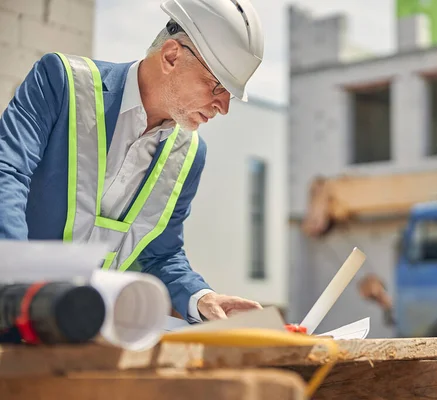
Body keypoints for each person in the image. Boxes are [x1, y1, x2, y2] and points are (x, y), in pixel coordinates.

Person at [0, 0, 265, 322]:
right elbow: (7, 172)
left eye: (231, 95)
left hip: (88, 326)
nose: (223, 107)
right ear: (171, 56)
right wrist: (15, 278)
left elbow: (160, 255)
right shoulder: (61, 82)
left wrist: (200, 297)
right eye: (217, 87)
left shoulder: (190, 154)